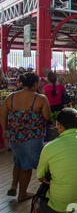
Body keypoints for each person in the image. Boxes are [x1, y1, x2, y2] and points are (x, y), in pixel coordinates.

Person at [33, 108, 77, 213]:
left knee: (38, 202)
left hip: (62, 208)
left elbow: (41, 177)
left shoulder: (49, 147)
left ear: (59, 126)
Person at [0, 73, 51, 202]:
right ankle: (22, 194)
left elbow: (2, 114)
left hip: (15, 137)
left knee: (18, 160)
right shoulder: (40, 98)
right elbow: (47, 117)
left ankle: (13, 186)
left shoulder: (10, 97)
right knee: (26, 166)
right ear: (34, 84)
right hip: (33, 138)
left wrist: (5, 130)